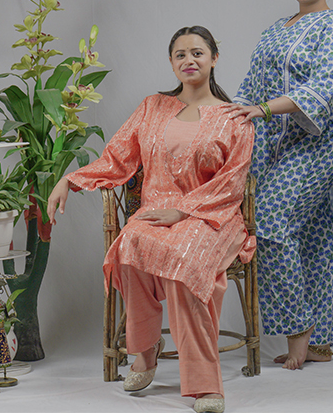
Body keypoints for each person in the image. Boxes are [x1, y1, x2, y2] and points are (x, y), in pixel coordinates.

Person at [47, 25, 255, 413]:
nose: (189, 60)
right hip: (157, 209)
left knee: (183, 259)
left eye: (197, 53)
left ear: (214, 58)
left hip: (213, 215)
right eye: (180, 54)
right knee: (129, 244)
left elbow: (232, 182)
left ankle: (205, 383)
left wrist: (185, 210)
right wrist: (70, 180)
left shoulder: (234, 118)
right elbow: (116, 157)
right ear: (171, 62)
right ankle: (145, 351)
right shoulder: (152, 107)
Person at [226, 0, 333, 370]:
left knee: (269, 220)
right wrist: (230, 116)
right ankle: (320, 340)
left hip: (321, 139)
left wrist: (263, 110)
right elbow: (251, 85)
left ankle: (299, 328)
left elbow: (320, 88)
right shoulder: (275, 29)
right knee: (313, 235)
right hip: (278, 142)